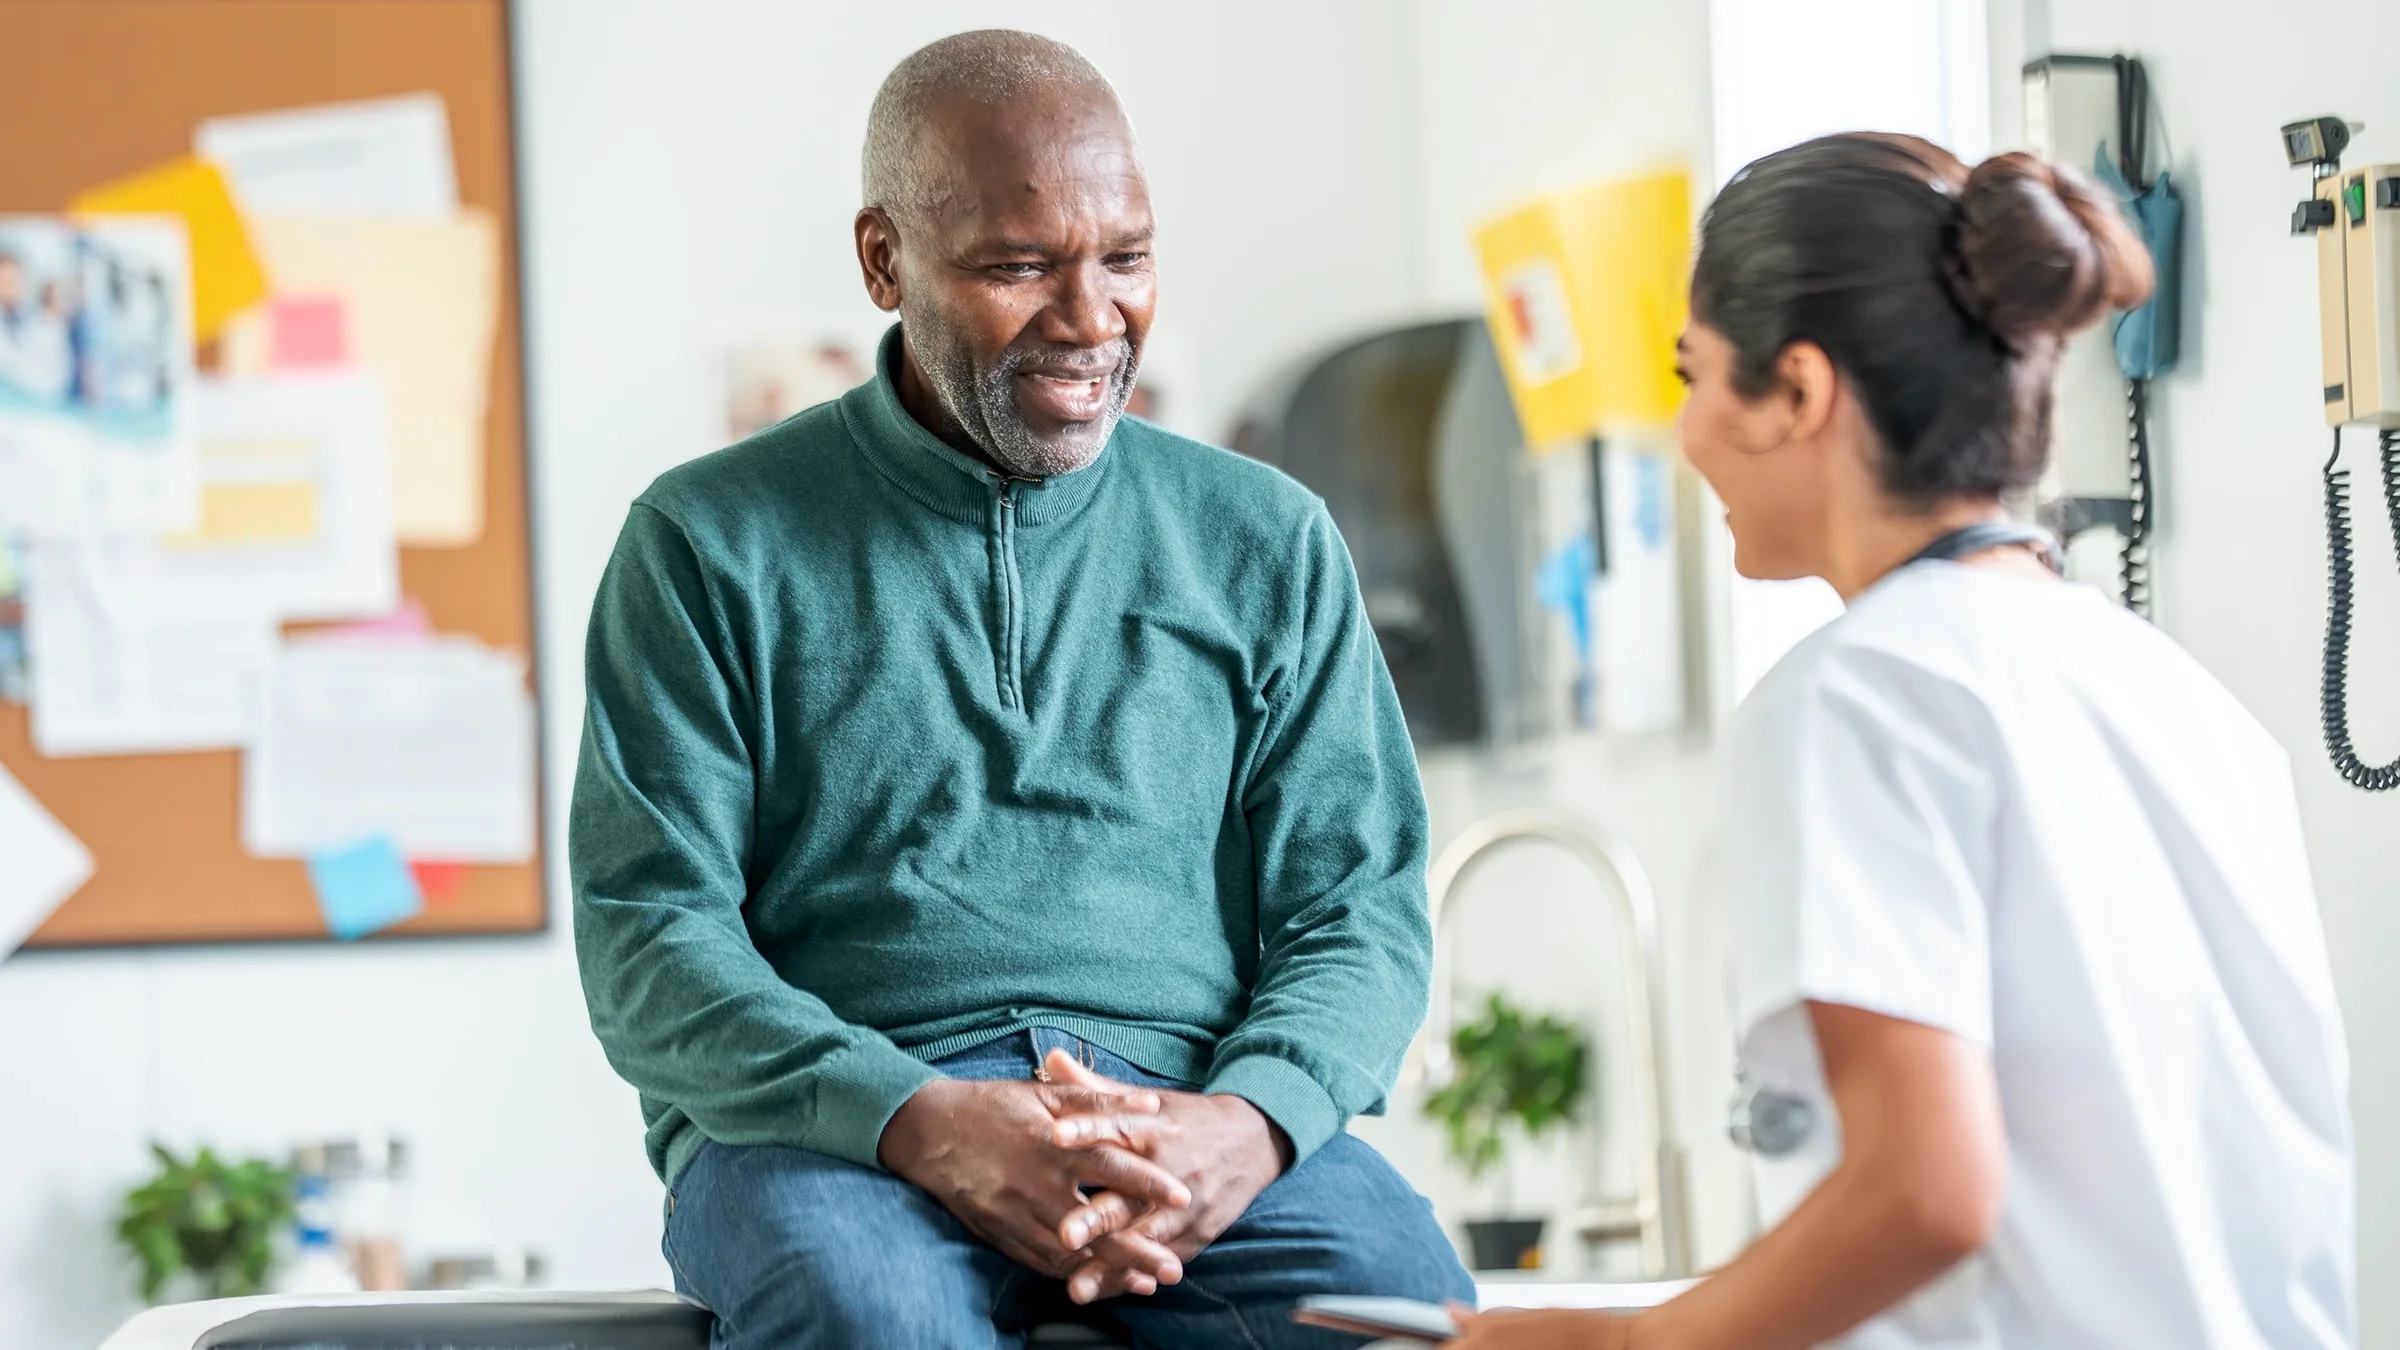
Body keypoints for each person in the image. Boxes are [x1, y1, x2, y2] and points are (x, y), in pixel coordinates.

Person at [570, 28, 1472, 1350]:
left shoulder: (1265, 539)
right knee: (870, 1312)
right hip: (837, 1135)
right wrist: (917, 1114)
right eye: (1017, 267)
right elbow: (651, 941)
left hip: (1185, 1110)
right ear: (885, 260)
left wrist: (1254, 1118)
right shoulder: (709, 541)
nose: (1093, 317)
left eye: (1128, 256)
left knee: (1395, 1307)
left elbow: (1360, 911)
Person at [1456, 134, 2355, 1349]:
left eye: (1697, 376)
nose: (1689, 435)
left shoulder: (1860, 696)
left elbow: (1925, 1193)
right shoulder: (2180, 695)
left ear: (1800, 393)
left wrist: (1624, 1343)